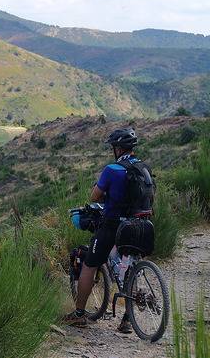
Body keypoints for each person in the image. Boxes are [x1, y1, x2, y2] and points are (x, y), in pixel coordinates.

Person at [63, 128, 150, 333]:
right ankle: (127, 320)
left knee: (89, 264)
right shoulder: (144, 167)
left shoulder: (112, 169)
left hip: (113, 225)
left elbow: (94, 196)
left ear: (117, 148)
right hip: (141, 223)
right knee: (129, 265)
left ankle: (78, 315)